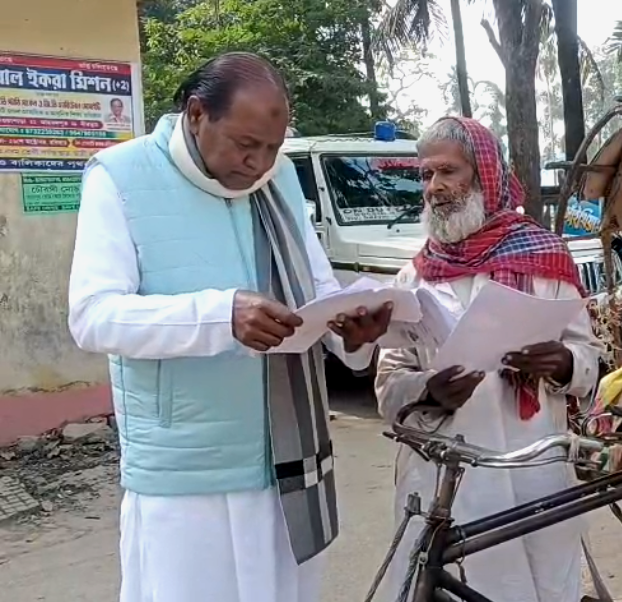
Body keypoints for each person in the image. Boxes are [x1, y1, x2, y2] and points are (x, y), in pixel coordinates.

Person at [68, 52, 393, 602]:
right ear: (197, 114)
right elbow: (93, 316)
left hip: (286, 461)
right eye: (247, 145)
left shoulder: (281, 177)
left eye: (272, 147)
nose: (260, 163)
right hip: (187, 474)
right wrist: (221, 315)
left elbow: (317, 291)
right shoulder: (119, 176)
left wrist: (348, 335)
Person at [375, 116, 603, 602]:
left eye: (447, 172)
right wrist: (426, 391)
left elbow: (591, 362)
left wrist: (561, 363)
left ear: (484, 175)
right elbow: (388, 382)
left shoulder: (544, 257)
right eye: (425, 175)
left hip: (531, 471)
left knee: (540, 588)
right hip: (442, 480)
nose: (434, 187)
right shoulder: (413, 277)